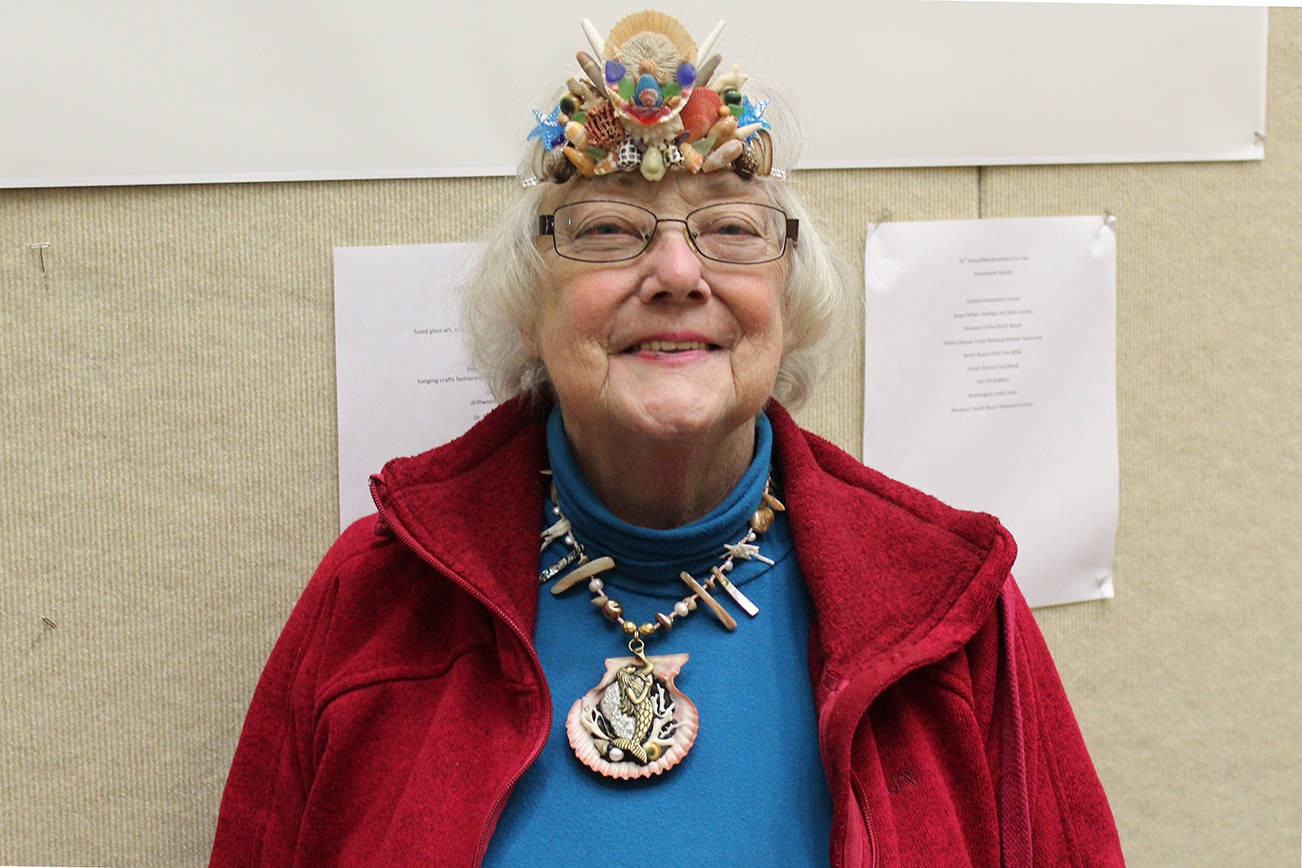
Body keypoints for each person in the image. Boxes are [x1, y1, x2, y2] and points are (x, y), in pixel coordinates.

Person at [210, 11, 1123, 866]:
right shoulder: (370, 599)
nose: (680, 272)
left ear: (788, 305)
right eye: (609, 228)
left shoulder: (952, 611)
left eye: (731, 228)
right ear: (532, 307)